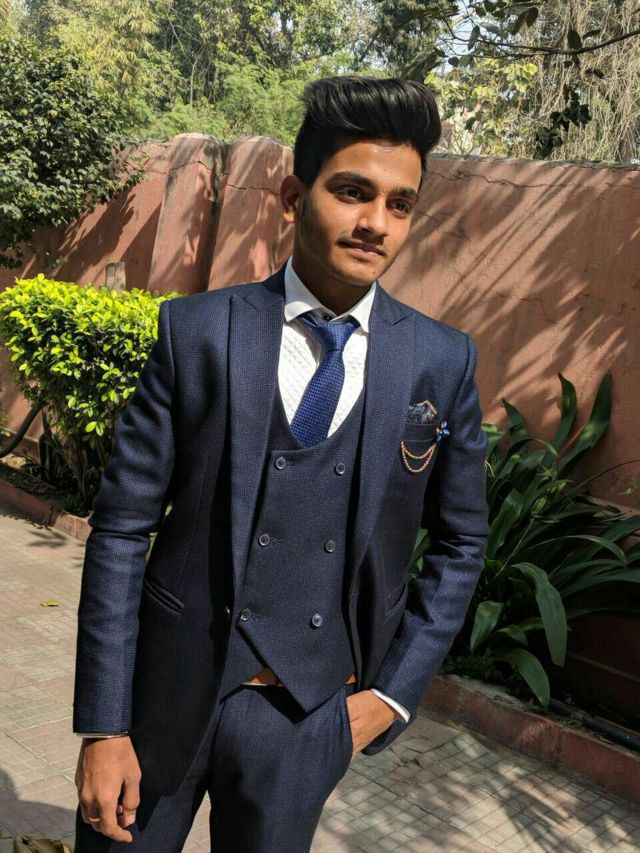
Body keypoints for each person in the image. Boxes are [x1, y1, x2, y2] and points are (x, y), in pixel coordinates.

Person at [72, 75, 490, 852]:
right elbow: (122, 528)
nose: (375, 223)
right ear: (296, 197)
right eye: (353, 192)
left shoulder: (441, 361)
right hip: (161, 700)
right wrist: (103, 723)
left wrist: (390, 698)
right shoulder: (198, 332)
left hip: (307, 724)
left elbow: (462, 544)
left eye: (400, 203)